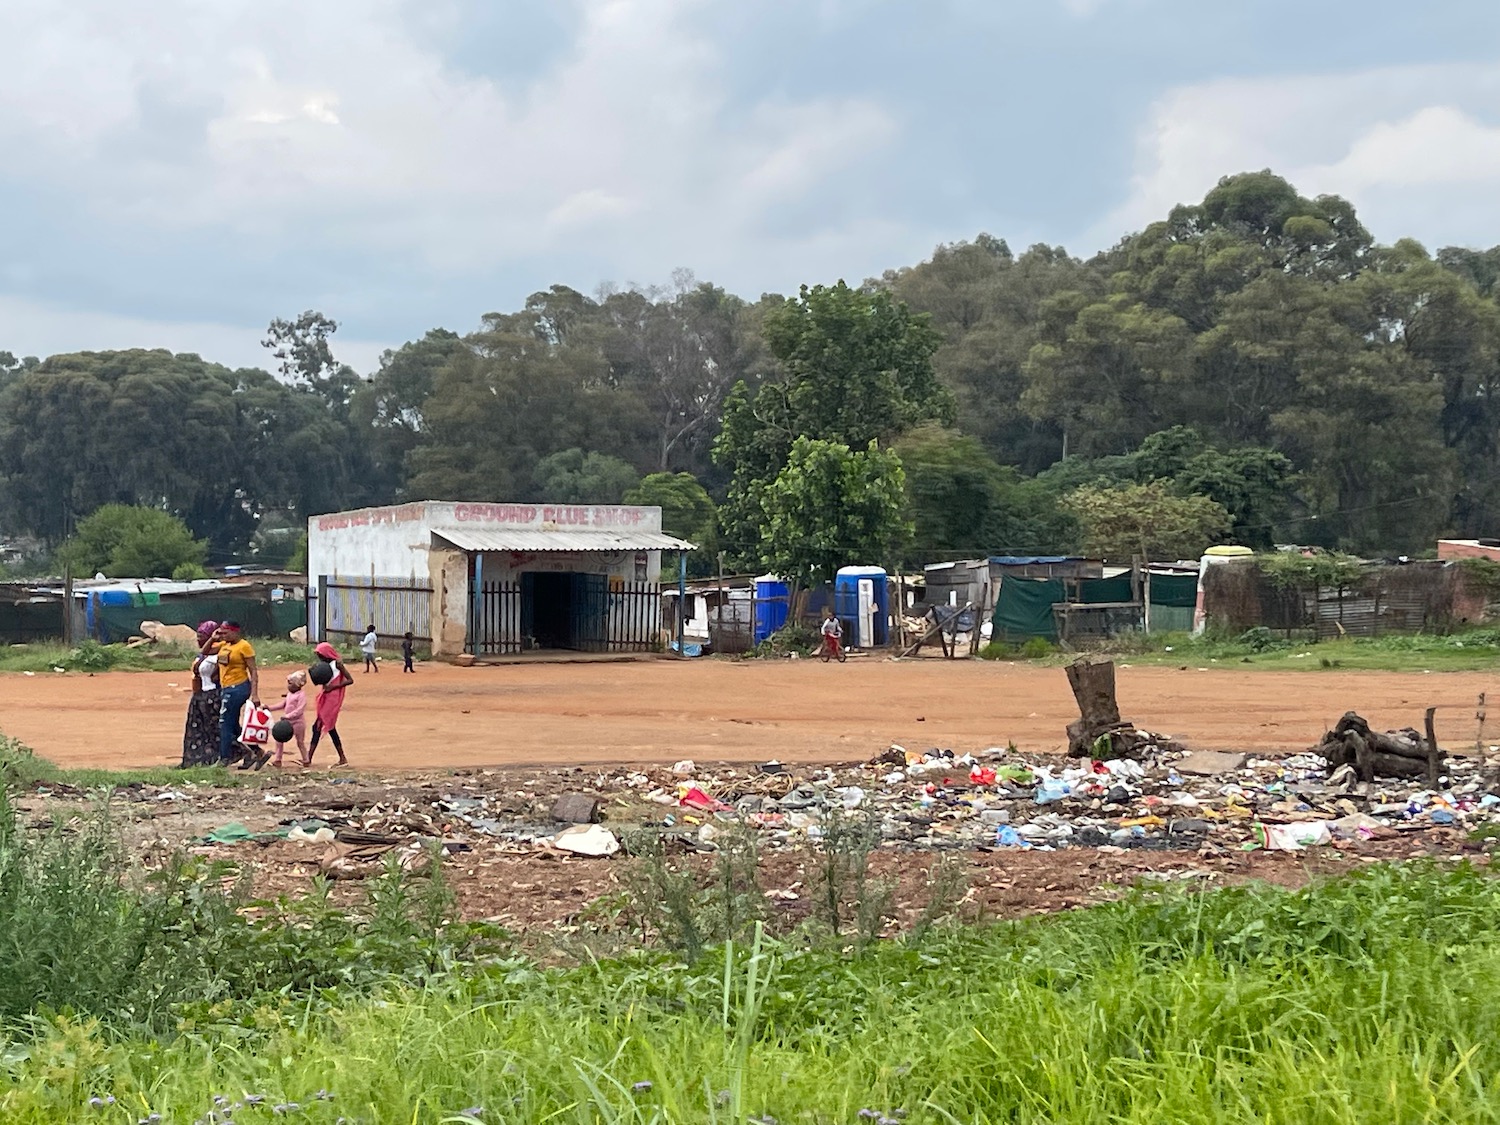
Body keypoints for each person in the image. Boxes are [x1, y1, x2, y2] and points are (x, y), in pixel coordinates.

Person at [209, 621, 261, 767]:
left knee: (225, 723)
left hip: (239, 687)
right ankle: (254, 751)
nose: (223, 636)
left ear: (235, 632)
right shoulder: (224, 645)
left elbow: (253, 671)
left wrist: (255, 694)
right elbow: (205, 651)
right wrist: (213, 638)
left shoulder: (244, 646)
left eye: (225, 633)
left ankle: (225, 757)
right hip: (226, 687)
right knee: (231, 724)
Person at [180, 620, 221, 768]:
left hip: (211, 695)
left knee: (215, 729)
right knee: (197, 729)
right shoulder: (204, 654)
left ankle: (247, 752)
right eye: (198, 636)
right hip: (199, 695)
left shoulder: (220, 653)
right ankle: (196, 760)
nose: (198, 639)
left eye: (202, 636)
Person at [309, 641, 352, 767]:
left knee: (318, 726)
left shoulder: (338, 665)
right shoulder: (323, 665)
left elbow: (350, 680)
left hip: (332, 699)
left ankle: (308, 758)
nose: (318, 657)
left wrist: (333, 687)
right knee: (329, 727)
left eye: (320, 654)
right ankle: (342, 758)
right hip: (325, 697)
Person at [266, 670, 309, 767]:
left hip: (298, 723)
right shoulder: (290, 694)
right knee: (279, 740)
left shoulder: (301, 695)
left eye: (290, 684)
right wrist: (269, 707)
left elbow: (299, 710)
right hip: (288, 722)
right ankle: (278, 759)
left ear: (297, 685)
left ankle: (306, 759)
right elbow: (283, 704)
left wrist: (287, 716)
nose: (288, 686)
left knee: (300, 742)